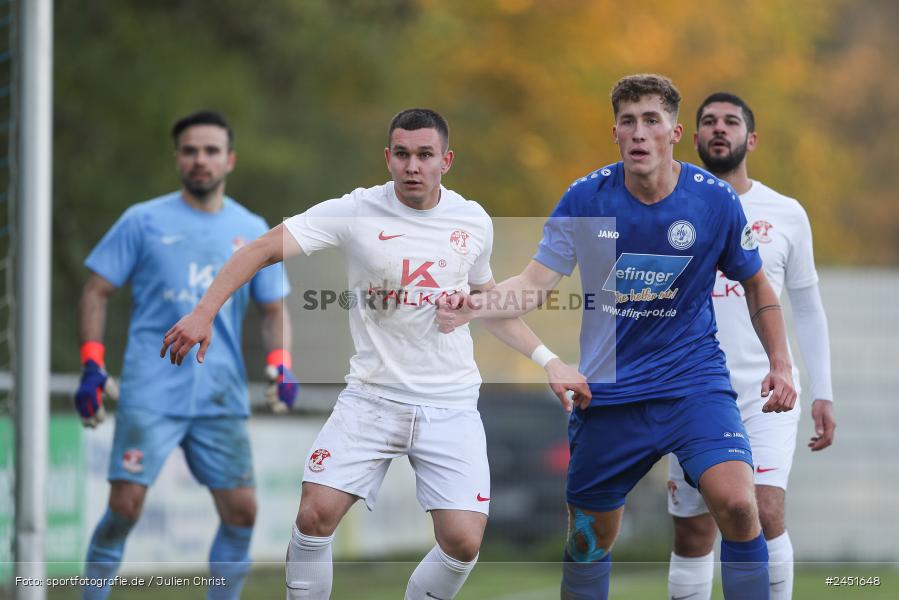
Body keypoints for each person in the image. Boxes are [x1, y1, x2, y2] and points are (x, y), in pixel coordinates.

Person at [159, 108, 589, 600]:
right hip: (371, 398)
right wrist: (204, 312)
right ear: (388, 158)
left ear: (445, 160)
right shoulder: (356, 211)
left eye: (425, 155)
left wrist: (549, 359)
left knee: (463, 543)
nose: (412, 166)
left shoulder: (472, 221)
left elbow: (491, 307)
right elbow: (259, 250)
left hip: (449, 404)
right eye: (402, 154)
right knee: (314, 515)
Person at [435, 74, 797, 600]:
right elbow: (534, 284)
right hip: (607, 396)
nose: (640, 132)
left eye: (652, 120)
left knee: (740, 505)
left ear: (675, 132)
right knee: (587, 541)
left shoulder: (714, 201)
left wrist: (780, 362)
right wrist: (476, 304)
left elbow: (758, 284)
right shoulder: (585, 199)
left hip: (692, 388)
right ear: (616, 133)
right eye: (629, 121)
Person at [74, 110, 297, 600]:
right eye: (191, 150)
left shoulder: (252, 228)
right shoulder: (143, 219)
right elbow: (96, 290)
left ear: (230, 160)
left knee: (242, 513)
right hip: (150, 391)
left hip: (219, 394)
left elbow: (274, 308)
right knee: (126, 506)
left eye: (211, 151)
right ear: (177, 158)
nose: (201, 160)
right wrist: (93, 362)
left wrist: (281, 362)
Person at [664, 92, 836, 600]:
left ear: (750, 138)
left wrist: (822, 390)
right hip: (690, 390)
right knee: (694, 529)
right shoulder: (668, 206)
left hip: (765, 391)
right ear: (692, 138)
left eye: (731, 122)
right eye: (709, 122)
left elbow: (805, 307)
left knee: (762, 506)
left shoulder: (785, 213)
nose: (720, 129)